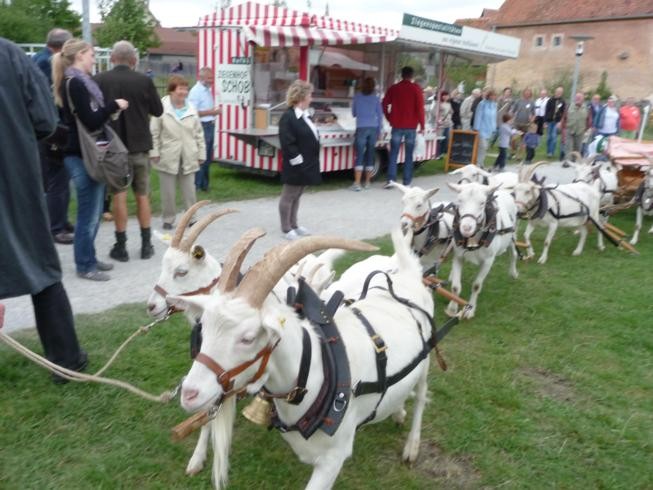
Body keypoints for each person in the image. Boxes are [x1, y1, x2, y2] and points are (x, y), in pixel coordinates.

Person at [0, 37, 87, 383]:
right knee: (40, 268)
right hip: (13, 177)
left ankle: (67, 361)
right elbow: (45, 121)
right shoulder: (9, 55)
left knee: (41, 267)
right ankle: (66, 360)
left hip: (13, 176)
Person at [54, 39, 129, 281]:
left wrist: (107, 110)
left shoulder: (75, 81)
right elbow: (91, 120)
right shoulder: (75, 82)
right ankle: (85, 265)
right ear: (80, 56)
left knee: (94, 211)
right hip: (80, 154)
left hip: (83, 152)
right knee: (88, 213)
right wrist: (112, 106)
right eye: (91, 55)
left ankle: (90, 257)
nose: (94, 59)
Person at [94, 40, 164, 262]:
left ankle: (121, 247)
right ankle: (146, 245)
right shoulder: (144, 81)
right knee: (143, 196)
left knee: (119, 195)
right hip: (140, 146)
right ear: (134, 61)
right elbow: (158, 110)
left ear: (112, 59)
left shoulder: (100, 80)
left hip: (114, 149)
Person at [33, 28, 75, 245]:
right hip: (53, 130)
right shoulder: (47, 63)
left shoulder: (39, 59)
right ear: (63, 47)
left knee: (60, 179)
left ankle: (61, 220)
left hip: (49, 128)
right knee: (56, 180)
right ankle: (56, 227)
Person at [150, 75, 204, 230]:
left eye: (186, 89)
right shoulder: (161, 108)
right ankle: (168, 218)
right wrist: (154, 152)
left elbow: (198, 133)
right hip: (167, 154)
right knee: (168, 192)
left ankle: (192, 218)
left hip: (189, 154)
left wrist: (201, 154)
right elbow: (153, 132)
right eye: (181, 88)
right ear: (172, 90)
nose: (184, 92)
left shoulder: (192, 108)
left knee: (190, 191)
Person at [278, 80, 321, 240]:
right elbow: (287, 143)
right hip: (296, 164)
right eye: (310, 95)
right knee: (288, 196)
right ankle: (286, 228)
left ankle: (294, 224)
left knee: (297, 195)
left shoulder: (304, 115)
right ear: (301, 96)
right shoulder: (288, 117)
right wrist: (298, 161)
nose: (311, 98)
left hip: (307, 163)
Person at [381, 66, 425, 187]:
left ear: (401, 75)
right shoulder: (416, 89)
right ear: (411, 76)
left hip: (397, 125)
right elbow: (420, 109)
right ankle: (407, 182)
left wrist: (390, 117)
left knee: (394, 153)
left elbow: (384, 104)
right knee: (408, 155)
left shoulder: (394, 88)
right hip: (411, 126)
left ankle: (391, 180)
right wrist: (422, 125)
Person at [189, 67, 221, 192]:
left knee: (208, 157)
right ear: (201, 78)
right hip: (202, 125)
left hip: (210, 124)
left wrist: (212, 113)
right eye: (209, 78)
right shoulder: (196, 91)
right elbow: (193, 112)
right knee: (201, 156)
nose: (212, 80)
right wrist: (213, 112)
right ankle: (197, 185)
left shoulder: (207, 90)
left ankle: (205, 185)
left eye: (212, 77)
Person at [351, 77, 383, 191]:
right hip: (373, 128)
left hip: (361, 127)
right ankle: (368, 183)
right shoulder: (376, 98)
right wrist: (380, 131)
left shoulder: (357, 97)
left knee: (359, 155)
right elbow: (380, 116)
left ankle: (357, 183)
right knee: (370, 154)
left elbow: (354, 114)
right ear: (374, 86)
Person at [473, 88, 497, 168]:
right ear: (488, 96)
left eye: (494, 95)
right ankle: (478, 163)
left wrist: (494, 128)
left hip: (490, 129)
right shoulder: (482, 104)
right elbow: (478, 116)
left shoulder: (494, 105)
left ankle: (481, 162)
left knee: (485, 147)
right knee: (483, 146)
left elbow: (494, 117)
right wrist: (476, 128)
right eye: (491, 95)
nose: (493, 97)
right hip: (482, 128)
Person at [510, 88, 535, 159]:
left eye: (529, 93)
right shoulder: (518, 101)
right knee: (513, 139)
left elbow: (533, 113)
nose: (527, 94)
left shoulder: (532, 102)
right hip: (517, 123)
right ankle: (513, 152)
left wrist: (532, 120)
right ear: (523, 93)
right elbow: (513, 111)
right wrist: (511, 119)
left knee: (523, 141)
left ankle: (519, 156)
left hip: (526, 125)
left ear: (530, 94)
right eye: (526, 93)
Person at [544, 86, 566, 157]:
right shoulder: (550, 100)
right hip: (550, 121)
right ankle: (548, 151)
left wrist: (561, 122)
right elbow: (546, 111)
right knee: (548, 138)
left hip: (557, 122)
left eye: (560, 92)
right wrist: (545, 122)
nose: (559, 93)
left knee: (554, 137)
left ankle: (551, 153)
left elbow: (563, 113)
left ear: (562, 93)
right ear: (555, 92)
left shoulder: (563, 101)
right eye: (558, 92)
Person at [435, 90, 453, 159]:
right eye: (444, 95)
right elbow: (435, 113)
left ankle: (442, 153)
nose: (446, 97)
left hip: (448, 123)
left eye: (447, 95)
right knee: (439, 139)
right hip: (441, 124)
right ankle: (437, 154)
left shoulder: (449, 104)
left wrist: (451, 112)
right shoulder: (439, 103)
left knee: (446, 139)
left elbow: (451, 112)